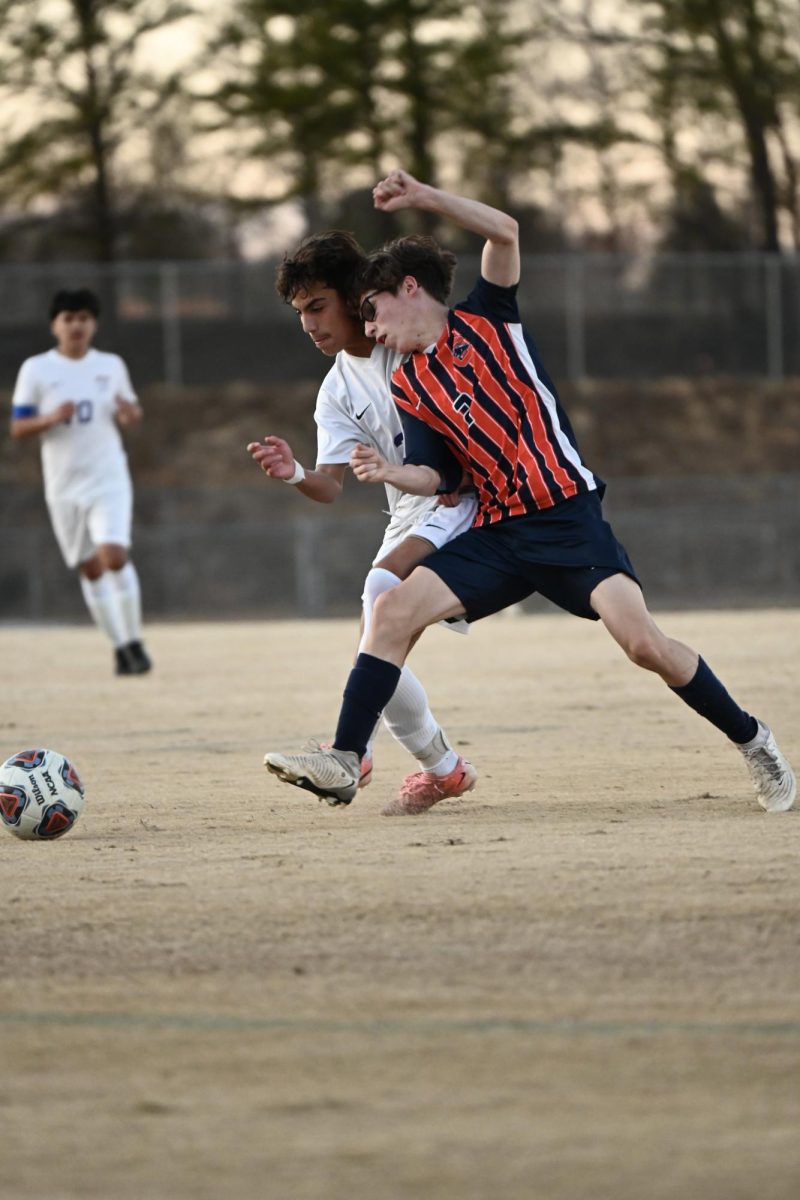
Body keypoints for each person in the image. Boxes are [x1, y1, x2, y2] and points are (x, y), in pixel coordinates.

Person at [263, 169, 796, 816]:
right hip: (501, 532)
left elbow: (506, 232)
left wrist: (426, 198)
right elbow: (440, 477)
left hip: (570, 521)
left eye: (373, 312)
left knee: (644, 645)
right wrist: (390, 473)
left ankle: (754, 739)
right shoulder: (410, 387)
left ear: (409, 290)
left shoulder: (491, 319)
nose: (369, 329)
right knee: (391, 610)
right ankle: (346, 757)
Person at [247, 231, 478, 813]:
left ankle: (355, 750)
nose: (309, 325)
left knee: (379, 601)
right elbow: (330, 486)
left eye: (317, 306)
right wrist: (295, 471)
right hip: (407, 513)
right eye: (300, 314)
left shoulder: (404, 340)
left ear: (353, 296)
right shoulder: (334, 391)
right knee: (380, 636)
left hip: (456, 501)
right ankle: (441, 768)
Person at [10, 288, 152, 676]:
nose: (76, 325)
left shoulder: (110, 364)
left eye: (84, 318)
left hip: (108, 476)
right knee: (90, 568)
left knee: (114, 556)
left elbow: (131, 413)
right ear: (55, 325)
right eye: (68, 318)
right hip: (63, 485)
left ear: (94, 324)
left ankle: (136, 642)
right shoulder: (36, 370)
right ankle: (120, 646)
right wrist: (50, 418)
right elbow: (19, 426)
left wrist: (128, 414)